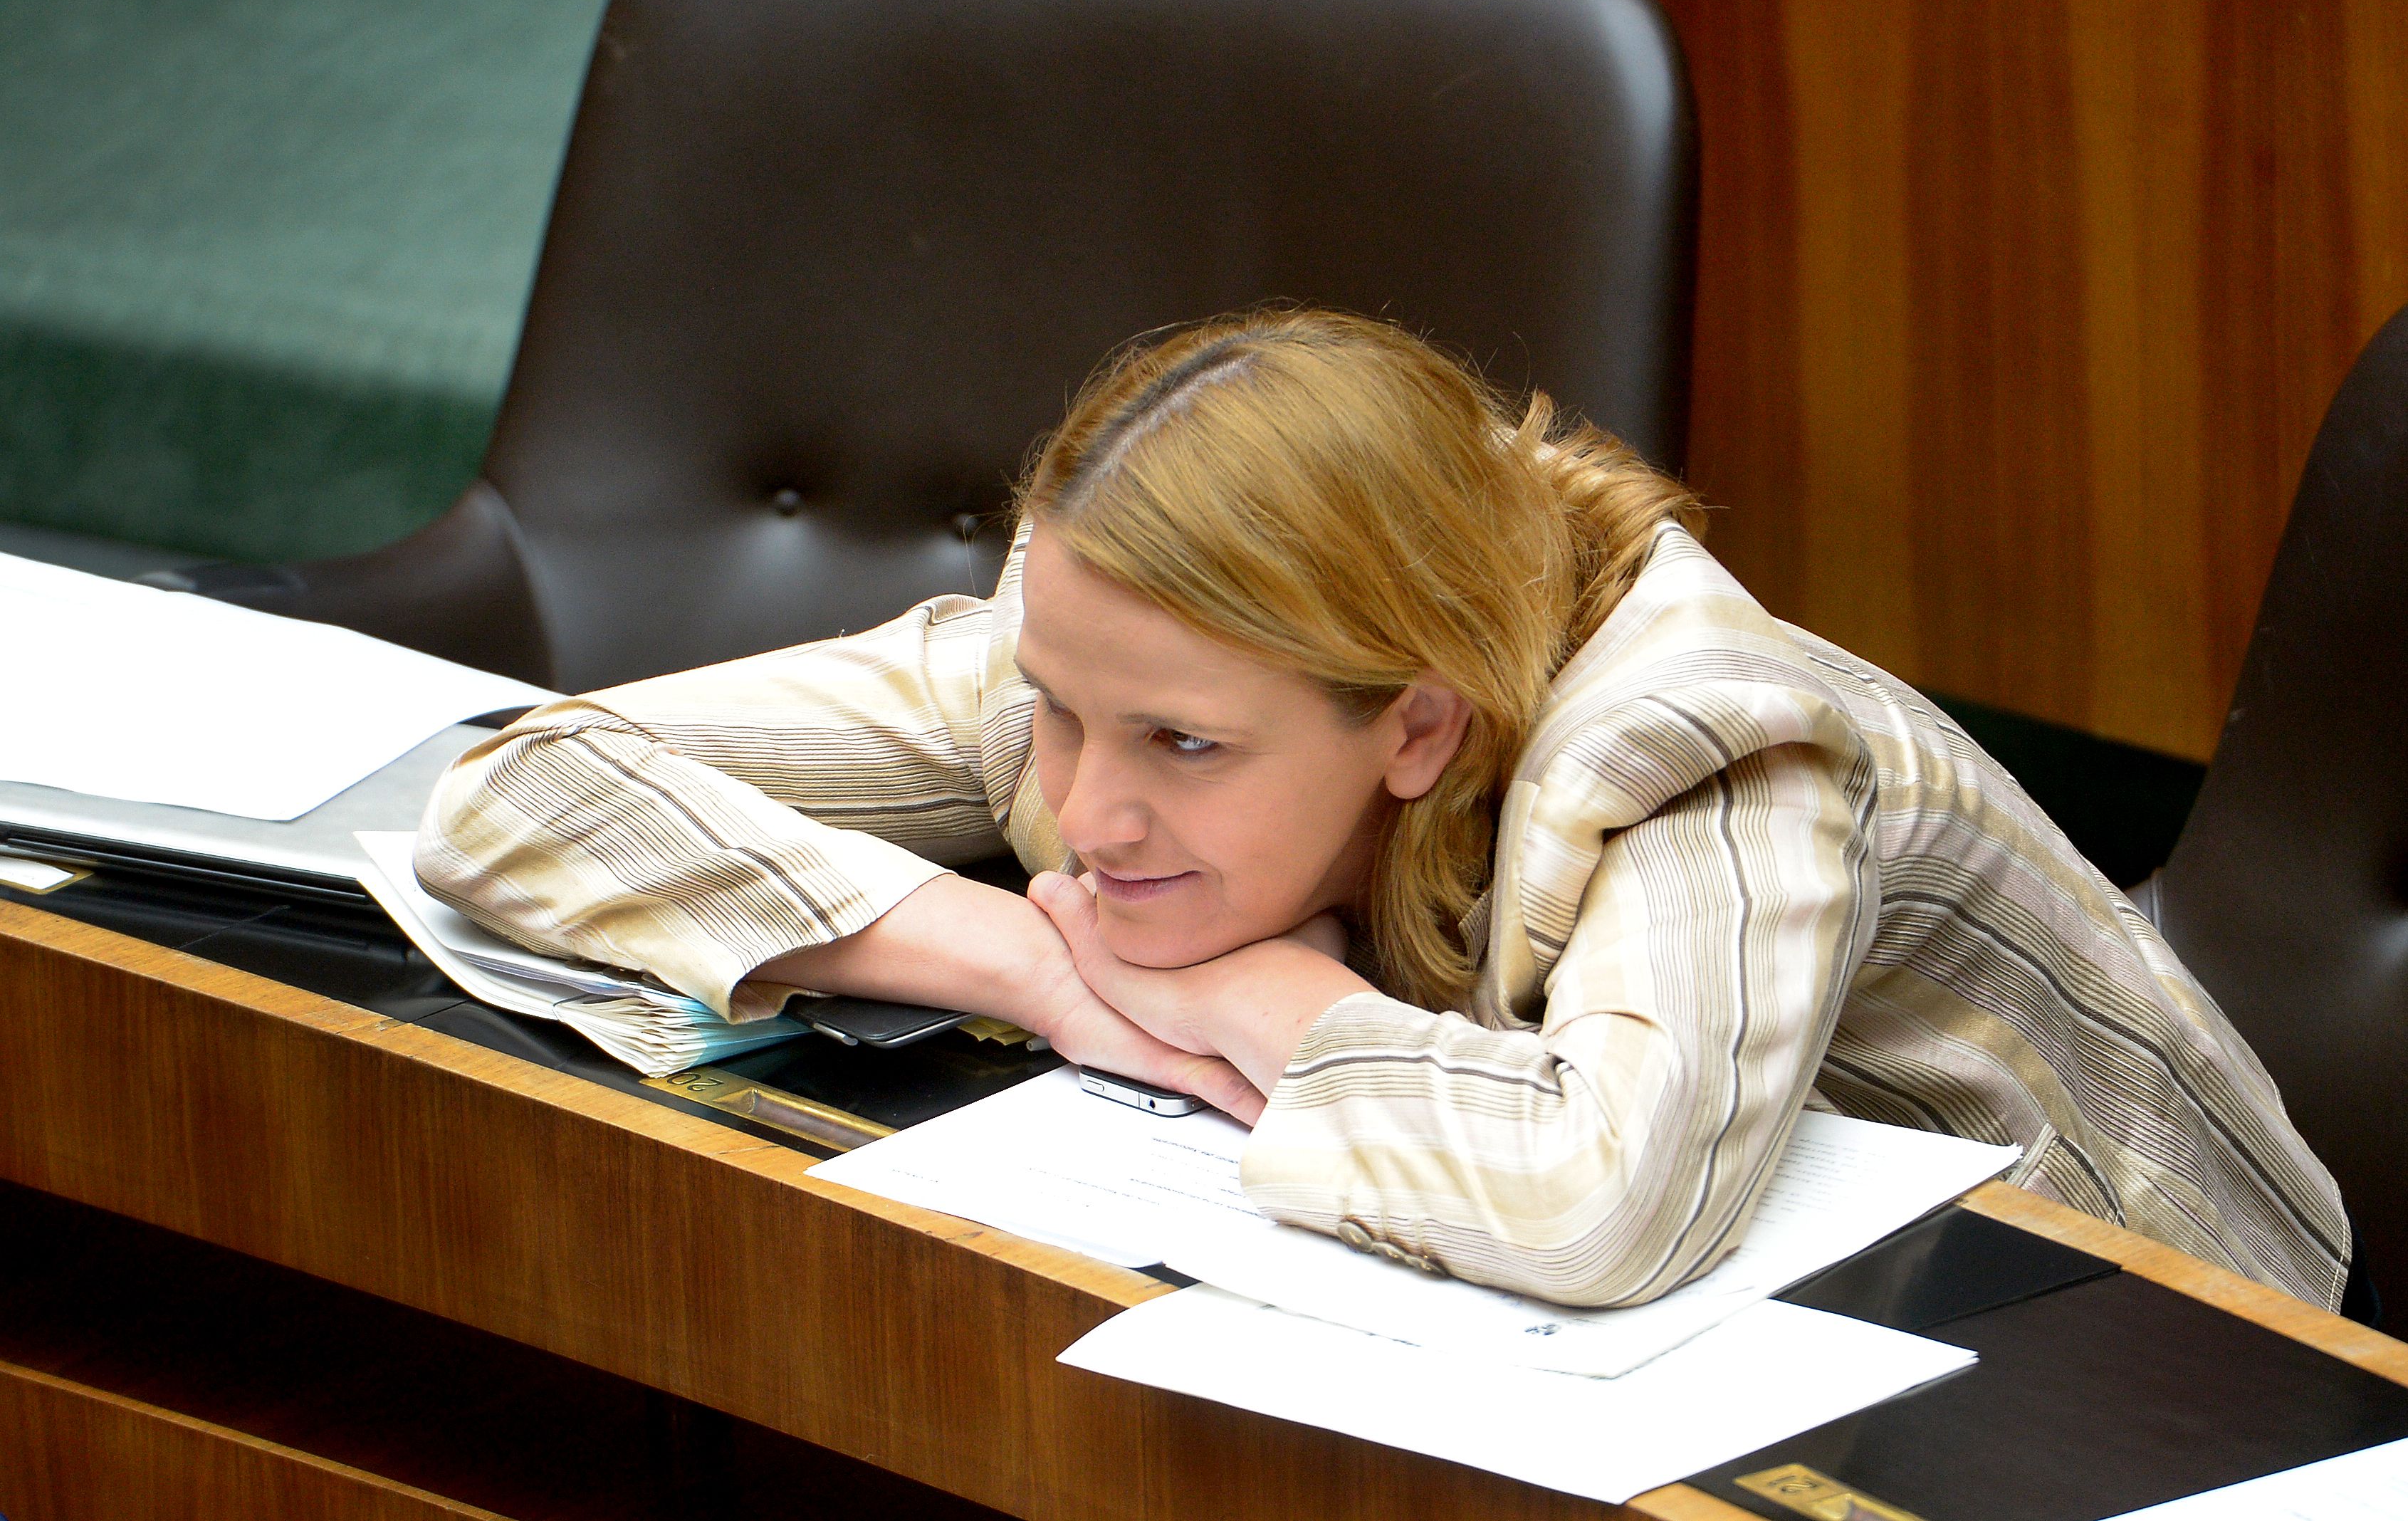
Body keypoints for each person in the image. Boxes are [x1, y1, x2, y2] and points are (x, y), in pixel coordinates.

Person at [414, 308, 2350, 1311]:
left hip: (2120, 1348)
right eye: (1063, 717)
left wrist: (1262, 1003)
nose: (1085, 805)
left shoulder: (1708, 740)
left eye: (1181, 749)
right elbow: (514, 787)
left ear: (1415, 729)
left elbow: (1608, 1195)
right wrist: (1036, 965)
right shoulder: (1112, 644)